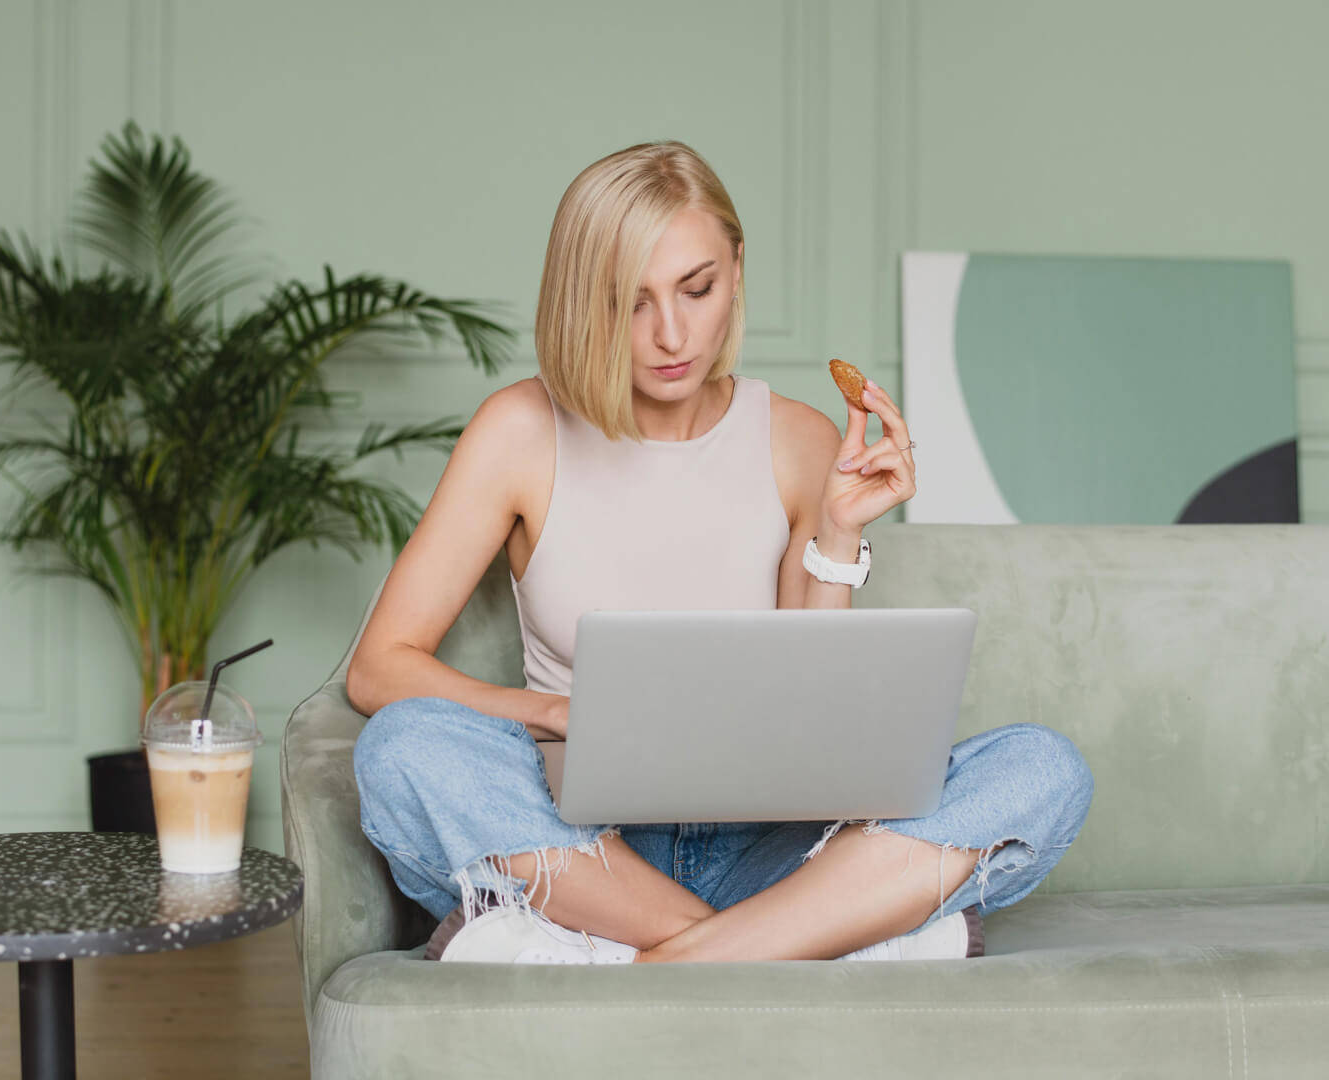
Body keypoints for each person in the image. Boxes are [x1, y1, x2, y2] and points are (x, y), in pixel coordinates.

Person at [345, 140, 1093, 965]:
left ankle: (621, 958)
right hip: (584, 843)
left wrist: (839, 537)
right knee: (401, 749)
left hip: (770, 850)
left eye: (696, 289)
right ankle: (821, 941)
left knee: (1041, 770)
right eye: (631, 302)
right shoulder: (519, 433)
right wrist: (556, 713)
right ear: (584, 303)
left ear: (736, 269)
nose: (672, 334)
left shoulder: (798, 439)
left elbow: (824, 718)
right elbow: (381, 668)